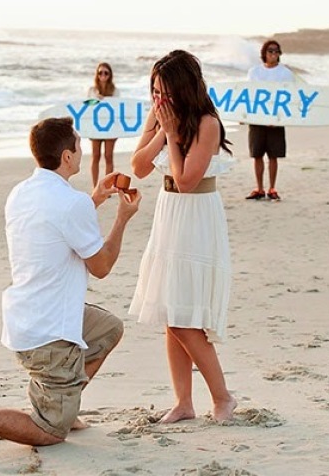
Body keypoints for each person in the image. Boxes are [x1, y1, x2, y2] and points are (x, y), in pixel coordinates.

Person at [0, 117, 141, 449]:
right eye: (78, 144)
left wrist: (96, 199)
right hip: (49, 333)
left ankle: (64, 400)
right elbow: (102, 266)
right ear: (67, 157)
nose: (82, 149)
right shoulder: (70, 203)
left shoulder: (21, 193)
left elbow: (57, 224)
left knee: (108, 328)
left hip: (27, 318)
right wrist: (121, 218)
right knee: (49, 432)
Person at [129, 49, 237, 424]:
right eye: (155, 90)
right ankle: (184, 402)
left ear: (183, 87)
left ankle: (223, 398)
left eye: (165, 90)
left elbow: (187, 181)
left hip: (196, 217)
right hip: (169, 215)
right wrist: (161, 130)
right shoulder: (158, 116)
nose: (159, 98)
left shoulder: (207, 124)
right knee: (170, 313)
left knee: (184, 318)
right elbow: (140, 167)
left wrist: (173, 136)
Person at [245, 39, 295, 201]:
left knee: (273, 155)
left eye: (276, 51)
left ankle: (272, 187)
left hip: (276, 120)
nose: (273, 54)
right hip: (257, 119)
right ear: (264, 53)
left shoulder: (285, 73)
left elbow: (290, 96)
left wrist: (280, 118)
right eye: (270, 51)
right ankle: (259, 188)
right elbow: (248, 95)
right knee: (257, 154)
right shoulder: (254, 72)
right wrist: (242, 115)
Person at [87, 62, 120, 188]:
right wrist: (97, 100)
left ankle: (106, 186)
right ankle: (95, 186)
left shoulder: (115, 91)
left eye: (106, 73)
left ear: (110, 75)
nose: (103, 75)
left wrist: (107, 100)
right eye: (100, 72)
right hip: (96, 127)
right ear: (97, 74)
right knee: (95, 156)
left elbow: (118, 108)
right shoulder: (92, 90)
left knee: (108, 156)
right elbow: (86, 107)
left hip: (110, 127)